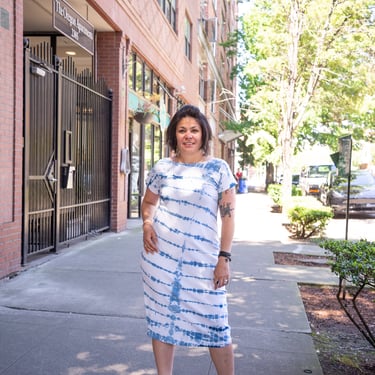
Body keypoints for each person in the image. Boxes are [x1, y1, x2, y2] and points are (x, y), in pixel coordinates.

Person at [141, 104, 236, 375]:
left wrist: (224, 258)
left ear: (204, 134)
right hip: (160, 259)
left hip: (204, 262)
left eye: (194, 130)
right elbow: (148, 202)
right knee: (162, 321)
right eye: (182, 130)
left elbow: (228, 218)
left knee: (216, 324)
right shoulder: (162, 168)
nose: (188, 135)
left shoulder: (219, 169)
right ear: (174, 135)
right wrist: (147, 223)